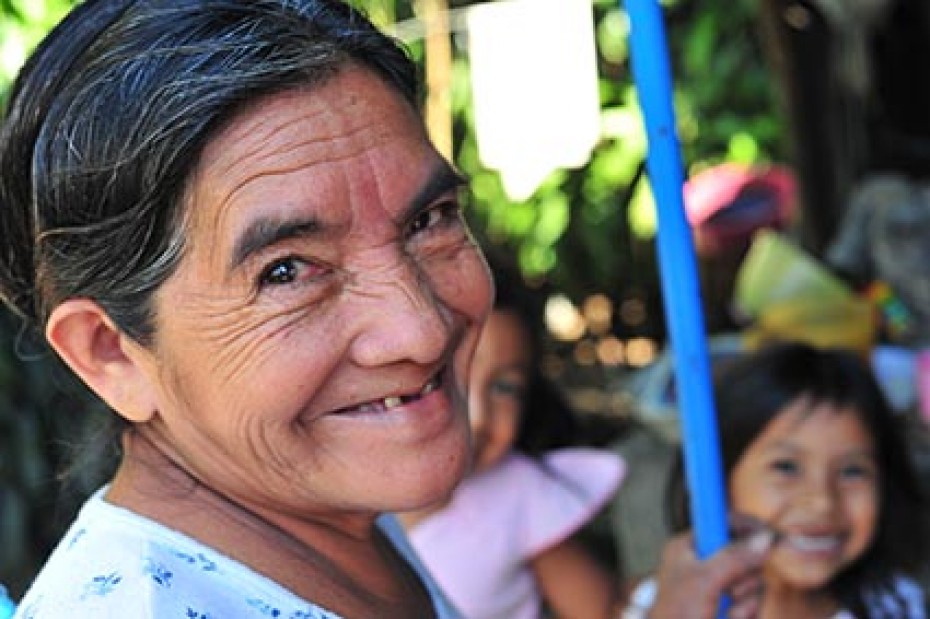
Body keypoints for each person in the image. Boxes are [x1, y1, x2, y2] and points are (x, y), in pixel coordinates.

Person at [0, 1, 495, 617]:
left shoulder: (329, 509)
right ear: (111, 353)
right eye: (286, 271)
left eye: (428, 220)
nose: (419, 330)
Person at [397, 254, 625, 619]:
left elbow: (607, 613)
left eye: (504, 388)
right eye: (447, 372)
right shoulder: (337, 499)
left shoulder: (519, 495)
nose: (477, 417)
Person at [631, 341, 929, 618]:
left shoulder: (893, 605)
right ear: (720, 481)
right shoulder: (670, 608)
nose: (822, 501)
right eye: (786, 467)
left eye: (852, 471)